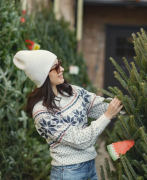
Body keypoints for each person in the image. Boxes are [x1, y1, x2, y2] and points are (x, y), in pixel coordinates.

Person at [13, 50, 123, 180]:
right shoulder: (41, 112)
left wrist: (134, 104)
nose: (62, 69)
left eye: (59, 63)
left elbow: (102, 105)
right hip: (68, 173)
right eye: (56, 67)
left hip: (90, 167)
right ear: (44, 74)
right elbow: (80, 140)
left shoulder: (72, 91)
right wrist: (107, 116)